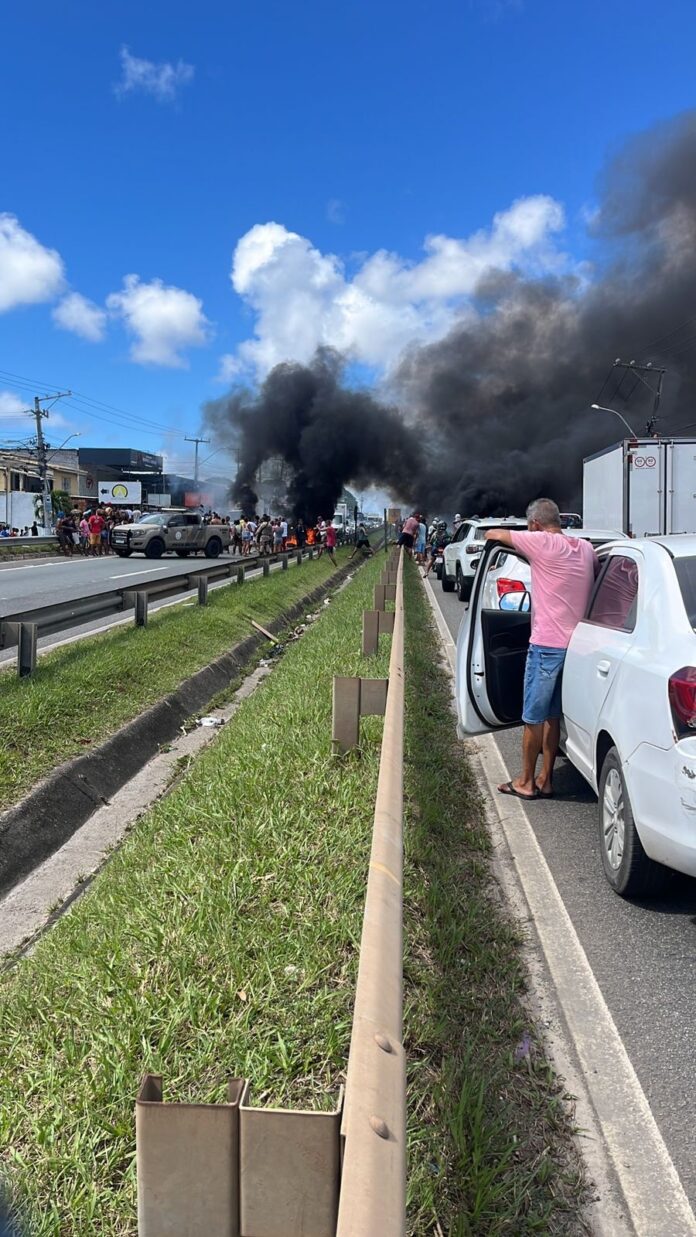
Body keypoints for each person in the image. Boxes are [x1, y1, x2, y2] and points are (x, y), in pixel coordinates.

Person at [484, 498, 599, 800]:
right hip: (577, 647)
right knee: (553, 715)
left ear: (535, 524)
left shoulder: (541, 542)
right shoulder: (585, 548)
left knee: (533, 716)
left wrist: (520, 536)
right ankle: (546, 779)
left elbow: (493, 534)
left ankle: (525, 781)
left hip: (546, 645)